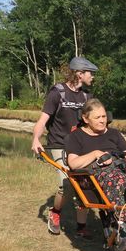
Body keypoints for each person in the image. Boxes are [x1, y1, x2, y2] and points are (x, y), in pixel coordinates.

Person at [64, 99, 126, 250]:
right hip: (93, 175)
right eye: (97, 117)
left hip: (120, 168)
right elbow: (73, 163)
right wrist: (96, 154)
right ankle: (123, 233)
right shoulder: (76, 136)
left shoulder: (114, 134)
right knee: (117, 179)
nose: (102, 120)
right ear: (85, 119)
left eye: (104, 116)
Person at [31, 56, 98, 238]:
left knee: (85, 182)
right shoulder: (57, 93)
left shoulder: (87, 96)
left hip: (79, 146)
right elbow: (42, 120)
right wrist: (36, 139)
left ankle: (81, 227)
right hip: (59, 144)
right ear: (79, 73)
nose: (93, 76)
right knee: (66, 183)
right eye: (90, 73)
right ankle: (56, 212)